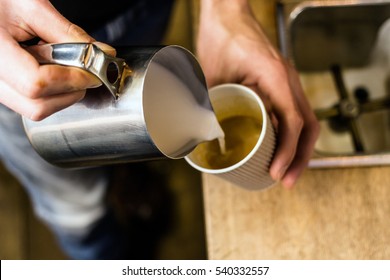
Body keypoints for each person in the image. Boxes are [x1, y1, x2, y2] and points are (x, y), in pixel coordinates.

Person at [0, 0, 319, 259]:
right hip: (19, 61)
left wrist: (226, 9)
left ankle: (129, 176)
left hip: (141, 8)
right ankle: (107, 258)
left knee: (139, 135)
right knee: (77, 208)